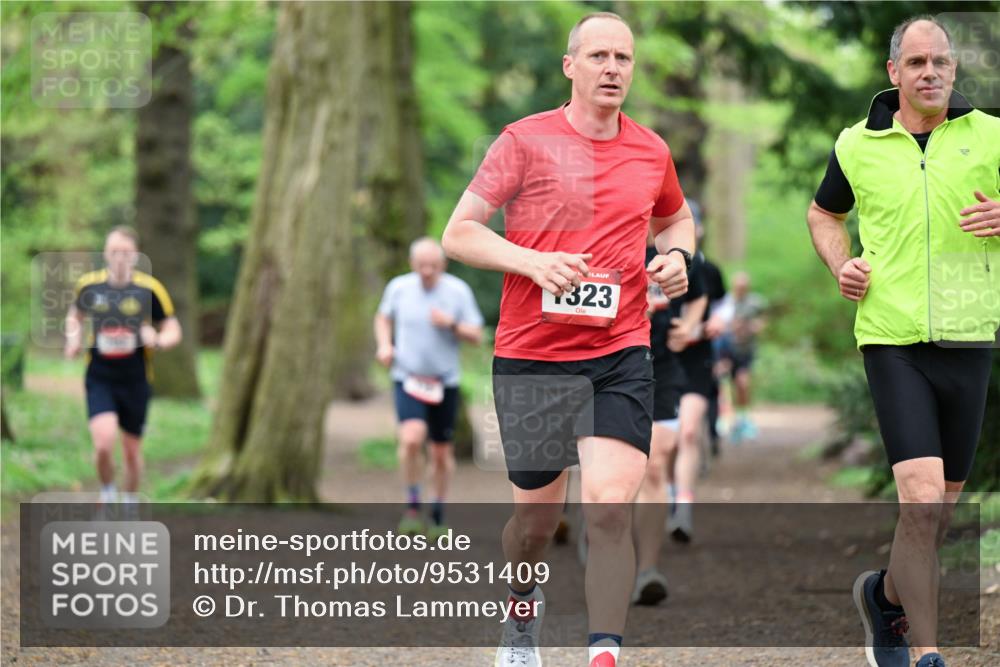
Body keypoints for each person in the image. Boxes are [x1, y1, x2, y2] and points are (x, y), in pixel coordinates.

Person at [442, 12, 695, 667]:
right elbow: (460, 232)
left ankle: (604, 652)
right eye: (600, 56)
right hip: (532, 354)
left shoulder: (651, 150)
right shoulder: (523, 141)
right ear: (570, 66)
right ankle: (521, 606)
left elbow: (676, 219)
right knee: (534, 522)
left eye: (624, 58)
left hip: (620, 353)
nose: (614, 68)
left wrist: (679, 258)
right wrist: (531, 261)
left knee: (610, 504)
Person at [806, 16, 999, 667]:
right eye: (917, 62)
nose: (931, 72)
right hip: (891, 339)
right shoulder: (857, 144)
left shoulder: (991, 135)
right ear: (894, 73)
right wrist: (841, 265)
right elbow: (823, 212)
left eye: (941, 61)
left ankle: (884, 596)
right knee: (919, 499)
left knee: (937, 513)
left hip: (970, 337)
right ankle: (926, 651)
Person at [374, 237, 484, 540]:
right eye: (421, 265)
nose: (426, 271)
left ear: (443, 265)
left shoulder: (457, 291)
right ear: (412, 264)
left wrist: (451, 324)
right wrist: (385, 345)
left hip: (444, 380)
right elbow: (383, 317)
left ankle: (437, 510)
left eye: (433, 266)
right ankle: (412, 505)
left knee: (439, 452)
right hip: (407, 376)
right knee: (411, 439)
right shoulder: (398, 287)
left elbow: (476, 334)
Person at [64, 226, 182, 503]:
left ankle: (129, 503)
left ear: (135, 256)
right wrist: (73, 339)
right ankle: (107, 493)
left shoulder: (149, 289)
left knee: (131, 451)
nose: (119, 257)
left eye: (126, 252)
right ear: (105, 254)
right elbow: (75, 317)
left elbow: (173, 329)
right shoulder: (89, 285)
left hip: (136, 379)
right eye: (114, 251)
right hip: (100, 377)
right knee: (104, 443)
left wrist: (158, 339)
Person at [630, 232, 702, 605]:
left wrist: (689, 326)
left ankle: (647, 570)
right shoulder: (605, 243)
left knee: (655, 467)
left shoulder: (684, 255)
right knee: (614, 477)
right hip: (611, 367)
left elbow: (701, 294)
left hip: (663, 370)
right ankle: (604, 539)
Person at [716, 271, 766, 443]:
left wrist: (752, 327)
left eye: (744, 287)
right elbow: (718, 323)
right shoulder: (726, 302)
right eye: (739, 287)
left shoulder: (755, 302)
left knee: (743, 383)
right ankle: (724, 417)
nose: (741, 290)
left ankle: (743, 417)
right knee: (723, 383)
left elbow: (762, 322)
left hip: (745, 350)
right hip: (726, 349)